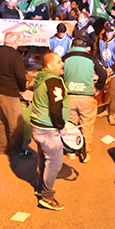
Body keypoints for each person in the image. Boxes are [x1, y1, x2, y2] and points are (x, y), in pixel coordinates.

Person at [30, 53, 70, 211]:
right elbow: (55, 107)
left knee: (44, 160)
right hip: (47, 128)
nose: (63, 64)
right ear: (50, 65)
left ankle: (41, 189)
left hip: (37, 124)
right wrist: (60, 126)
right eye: (59, 62)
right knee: (54, 162)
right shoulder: (53, 81)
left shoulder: (42, 76)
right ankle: (47, 197)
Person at [62, 37, 107, 162]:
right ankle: (85, 152)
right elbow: (103, 74)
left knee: (71, 124)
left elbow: (57, 74)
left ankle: (71, 151)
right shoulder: (91, 58)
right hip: (87, 97)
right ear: (85, 47)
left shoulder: (65, 59)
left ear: (72, 46)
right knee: (86, 125)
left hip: (69, 96)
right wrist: (98, 88)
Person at [0, 32, 28, 156]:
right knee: (16, 123)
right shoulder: (16, 56)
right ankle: (16, 151)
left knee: (2, 119)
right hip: (10, 92)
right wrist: (23, 88)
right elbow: (21, 76)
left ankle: (3, 147)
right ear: (16, 42)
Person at [97, 22, 115, 125]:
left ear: (114, 31)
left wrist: (112, 68)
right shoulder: (100, 41)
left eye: (110, 32)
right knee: (105, 93)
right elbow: (97, 54)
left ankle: (112, 114)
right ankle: (105, 110)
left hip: (113, 73)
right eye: (107, 31)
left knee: (113, 94)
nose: (108, 34)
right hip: (103, 71)